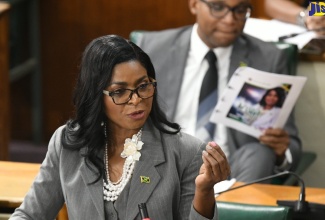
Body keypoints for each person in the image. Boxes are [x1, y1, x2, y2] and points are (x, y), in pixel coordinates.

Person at [10, 35, 230, 219]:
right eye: (119, 92)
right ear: (96, 96)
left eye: (143, 86)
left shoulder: (187, 152)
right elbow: (29, 215)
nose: (136, 100)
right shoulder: (67, 143)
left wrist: (204, 190)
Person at [132, 0, 302, 182]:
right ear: (194, 4)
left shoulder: (268, 58)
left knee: (259, 154)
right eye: (218, 8)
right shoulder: (152, 48)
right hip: (166, 169)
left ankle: (225, 208)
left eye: (240, 10)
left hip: (232, 176)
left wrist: (282, 152)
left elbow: (291, 145)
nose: (230, 20)